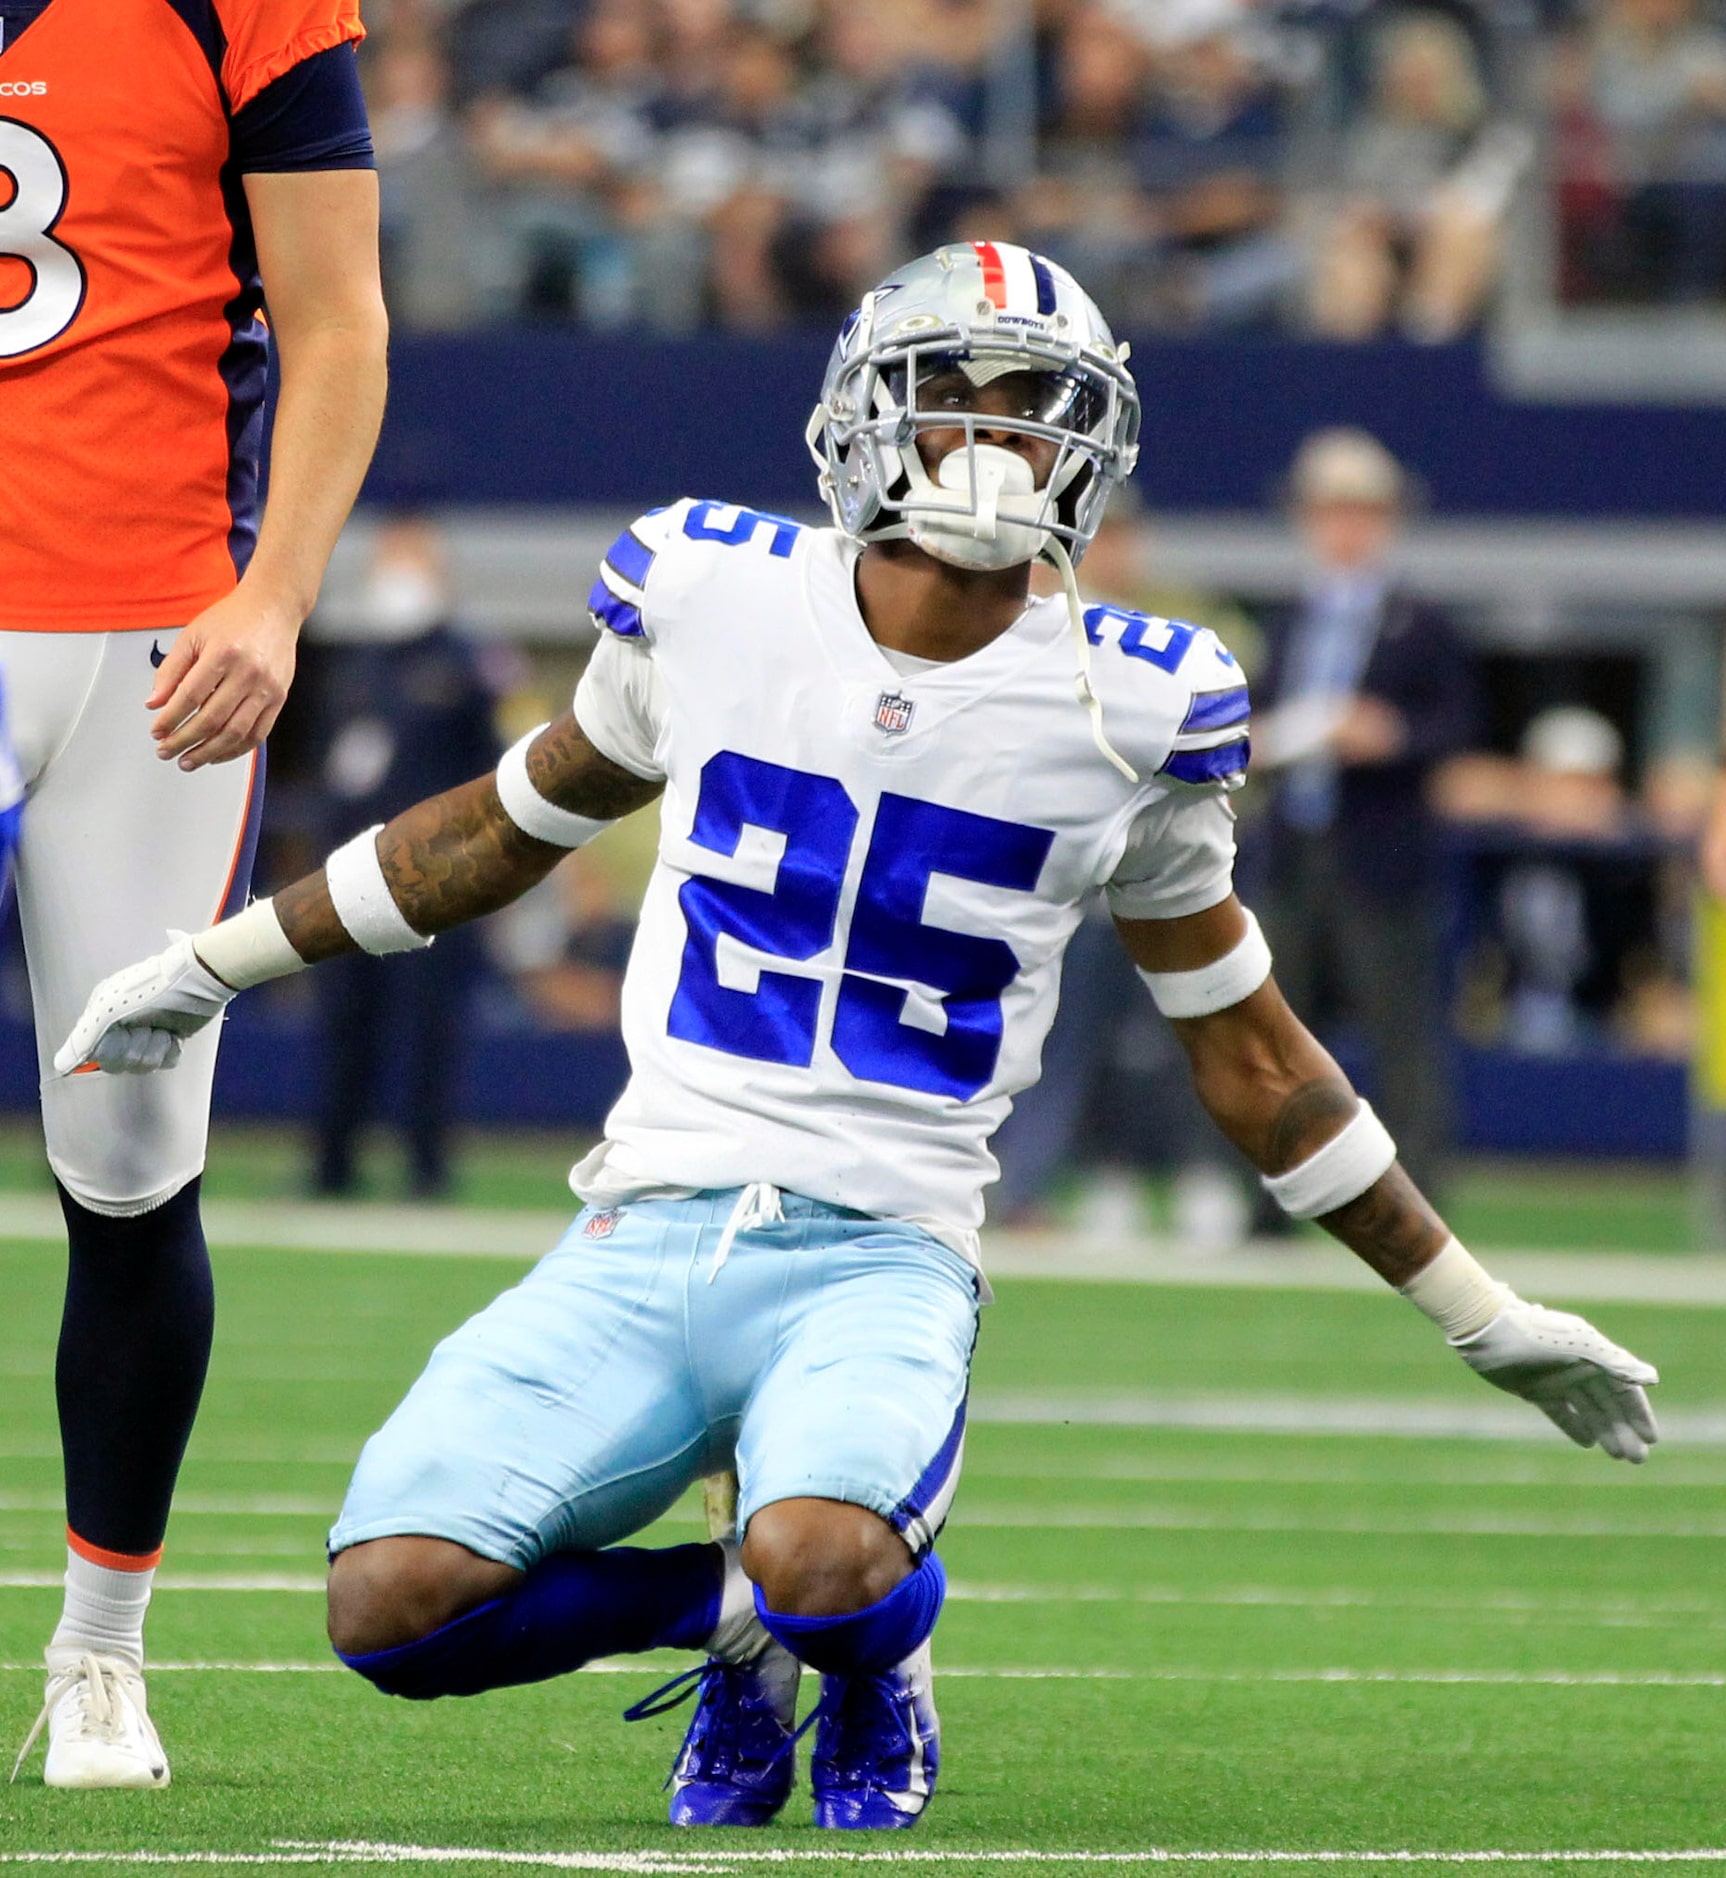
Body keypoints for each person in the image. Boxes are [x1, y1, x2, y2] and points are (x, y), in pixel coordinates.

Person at [58, 242, 1657, 1831]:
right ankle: (728, 1619)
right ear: (863, 418)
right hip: (642, 1227)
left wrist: (1477, 1308)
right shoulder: (710, 595)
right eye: (955, 397)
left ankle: (862, 1651)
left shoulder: (1133, 707)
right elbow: (496, 829)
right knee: (388, 1606)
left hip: (880, 1250)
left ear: (1088, 444)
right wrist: (214, 961)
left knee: (825, 1558)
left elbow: (1252, 1054)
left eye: (1038, 409)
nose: (997, 439)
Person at [0, 0, 389, 1791]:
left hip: (149, 625)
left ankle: (100, 1653)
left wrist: (277, 592)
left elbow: (335, 316)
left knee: (133, 1158)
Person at [1246, 428, 1478, 1215]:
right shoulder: (1288, 619)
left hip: (1379, 851)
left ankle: (1417, 1206)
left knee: (1400, 1039)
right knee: (1277, 1034)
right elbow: (1261, 719)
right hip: (1296, 844)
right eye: (1329, 511)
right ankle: (1270, 1203)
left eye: (1359, 511)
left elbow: (1456, 725)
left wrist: (1392, 735)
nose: (1344, 528)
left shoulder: (1423, 624)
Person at [306, 519, 501, 1198]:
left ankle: (427, 1169)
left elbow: (494, 774)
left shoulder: (467, 665)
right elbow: (333, 770)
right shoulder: (356, 663)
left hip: (439, 882)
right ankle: (332, 1166)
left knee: (429, 1030)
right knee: (343, 1024)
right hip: (353, 876)